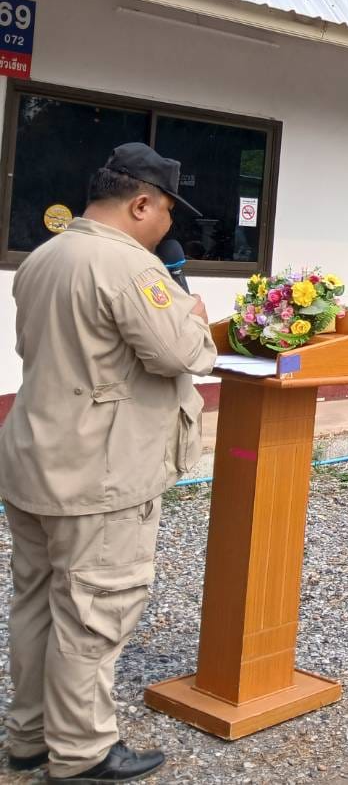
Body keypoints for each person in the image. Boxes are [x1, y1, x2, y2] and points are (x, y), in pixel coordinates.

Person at [0, 143, 216, 783]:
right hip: (100, 471)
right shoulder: (129, 266)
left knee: (37, 604)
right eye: (167, 212)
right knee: (94, 613)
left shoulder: (43, 257)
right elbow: (179, 354)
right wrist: (195, 316)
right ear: (141, 204)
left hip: (35, 458)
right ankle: (82, 752)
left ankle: (29, 737)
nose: (168, 226)